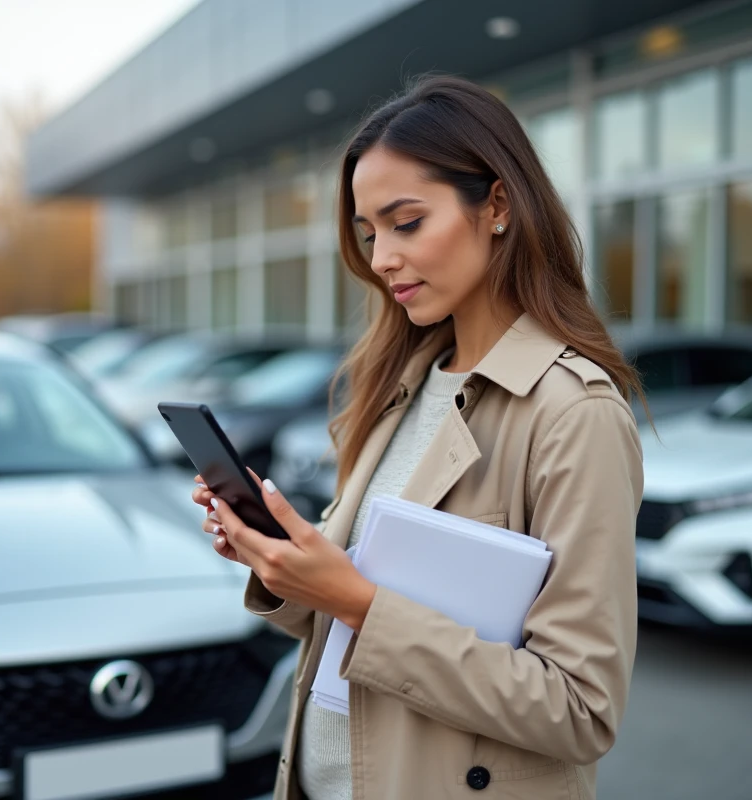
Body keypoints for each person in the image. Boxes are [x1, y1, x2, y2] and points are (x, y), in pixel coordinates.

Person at [190, 75, 645, 800]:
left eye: (406, 224)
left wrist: (360, 604)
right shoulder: (399, 384)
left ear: (496, 205)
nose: (381, 259)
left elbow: (580, 708)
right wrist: (282, 560)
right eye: (370, 235)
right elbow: (346, 613)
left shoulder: (571, 413)